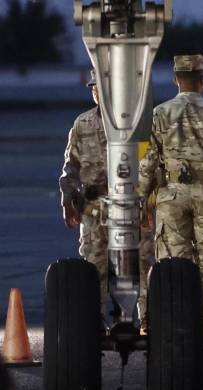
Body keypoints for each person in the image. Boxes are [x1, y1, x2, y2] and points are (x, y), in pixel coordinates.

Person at [138, 55, 203, 361]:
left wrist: (143, 201)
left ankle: (177, 335)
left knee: (172, 267)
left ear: (174, 79)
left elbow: (147, 162)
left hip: (170, 195)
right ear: (202, 77)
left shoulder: (159, 114)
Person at [59, 70, 154, 328]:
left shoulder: (136, 122)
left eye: (102, 87)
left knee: (143, 263)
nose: (96, 92)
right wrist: (67, 196)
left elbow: (152, 163)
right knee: (93, 265)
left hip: (131, 204)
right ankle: (94, 321)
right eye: (94, 87)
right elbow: (71, 166)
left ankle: (147, 317)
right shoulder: (82, 124)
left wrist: (149, 202)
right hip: (94, 208)